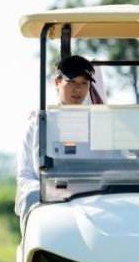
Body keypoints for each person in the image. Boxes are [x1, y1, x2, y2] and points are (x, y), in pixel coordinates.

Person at [15, 55, 102, 222]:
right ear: (57, 82)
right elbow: (25, 175)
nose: (78, 89)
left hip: (92, 199)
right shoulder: (37, 123)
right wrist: (53, 189)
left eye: (84, 83)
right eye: (72, 82)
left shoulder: (99, 124)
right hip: (50, 200)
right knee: (32, 196)